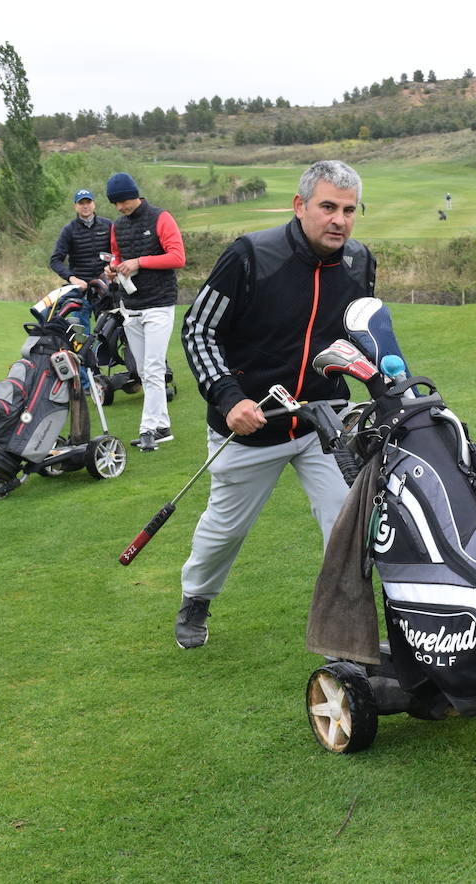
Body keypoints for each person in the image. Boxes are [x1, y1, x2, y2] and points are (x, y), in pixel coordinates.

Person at [174, 160, 377, 648]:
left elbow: (360, 334)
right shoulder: (250, 256)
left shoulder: (359, 262)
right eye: (328, 207)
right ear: (300, 205)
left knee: (348, 524)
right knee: (225, 528)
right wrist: (229, 399)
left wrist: (385, 386)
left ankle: (349, 626)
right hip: (251, 424)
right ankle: (196, 599)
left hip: (324, 422)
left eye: (349, 210)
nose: (339, 220)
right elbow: (198, 330)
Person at [103, 172, 186, 452]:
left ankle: (148, 430)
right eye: (115, 203)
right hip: (131, 306)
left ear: (134, 195)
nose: (120, 208)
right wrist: (113, 267)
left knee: (152, 368)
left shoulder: (161, 218)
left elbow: (177, 257)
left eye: (123, 201)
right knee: (143, 370)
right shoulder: (118, 225)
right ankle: (162, 427)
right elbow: (116, 255)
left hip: (159, 304)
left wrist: (139, 262)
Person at [48, 189, 113, 330]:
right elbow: (55, 260)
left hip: (105, 290)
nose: (85, 206)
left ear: (94, 204)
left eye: (88, 202)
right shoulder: (69, 230)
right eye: (81, 203)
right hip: (80, 292)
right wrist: (72, 278)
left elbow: (119, 253)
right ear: (75, 206)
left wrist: (113, 269)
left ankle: (98, 353)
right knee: (80, 335)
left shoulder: (108, 226)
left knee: (107, 334)